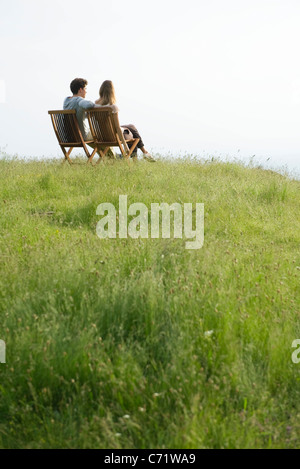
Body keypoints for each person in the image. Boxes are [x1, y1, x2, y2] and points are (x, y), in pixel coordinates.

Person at [95, 80, 156, 162]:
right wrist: (124, 145)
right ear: (112, 91)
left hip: (102, 136)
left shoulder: (95, 105)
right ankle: (140, 157)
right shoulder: (112, 107)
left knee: (131, 126)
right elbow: (117, 127)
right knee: (133, 135)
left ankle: (144, 153)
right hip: (113, 136)